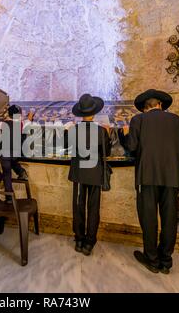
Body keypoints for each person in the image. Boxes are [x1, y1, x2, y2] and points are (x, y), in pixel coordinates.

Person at [120, 89, 179, 274]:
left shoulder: (139, 120)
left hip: (147, 176)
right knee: (170, 218)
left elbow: (132, 148)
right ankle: (166, 261)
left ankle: (151, 259)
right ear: (160, 105)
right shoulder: (178, 121)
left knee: (149, 218)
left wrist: (124, 135)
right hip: (172, 177)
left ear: (145, 108)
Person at [68, 94, 111, 256]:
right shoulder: (101, 131)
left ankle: (79, 239)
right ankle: (89, 242)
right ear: (94, 113)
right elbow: (107, 151)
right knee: (93, 208)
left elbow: (67, 146)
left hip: (79, 173)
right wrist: (108, 133)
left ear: (80, 113)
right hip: (94, 173)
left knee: (78, 206)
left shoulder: (74, 130)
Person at [0, 105, 31, 203]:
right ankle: (21, 172)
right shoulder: (20, 124)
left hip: (6, 151)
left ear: (8, 113)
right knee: (12, 161)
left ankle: (9, 198)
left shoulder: (3, 124)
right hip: (16, 152)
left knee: (7, 175)